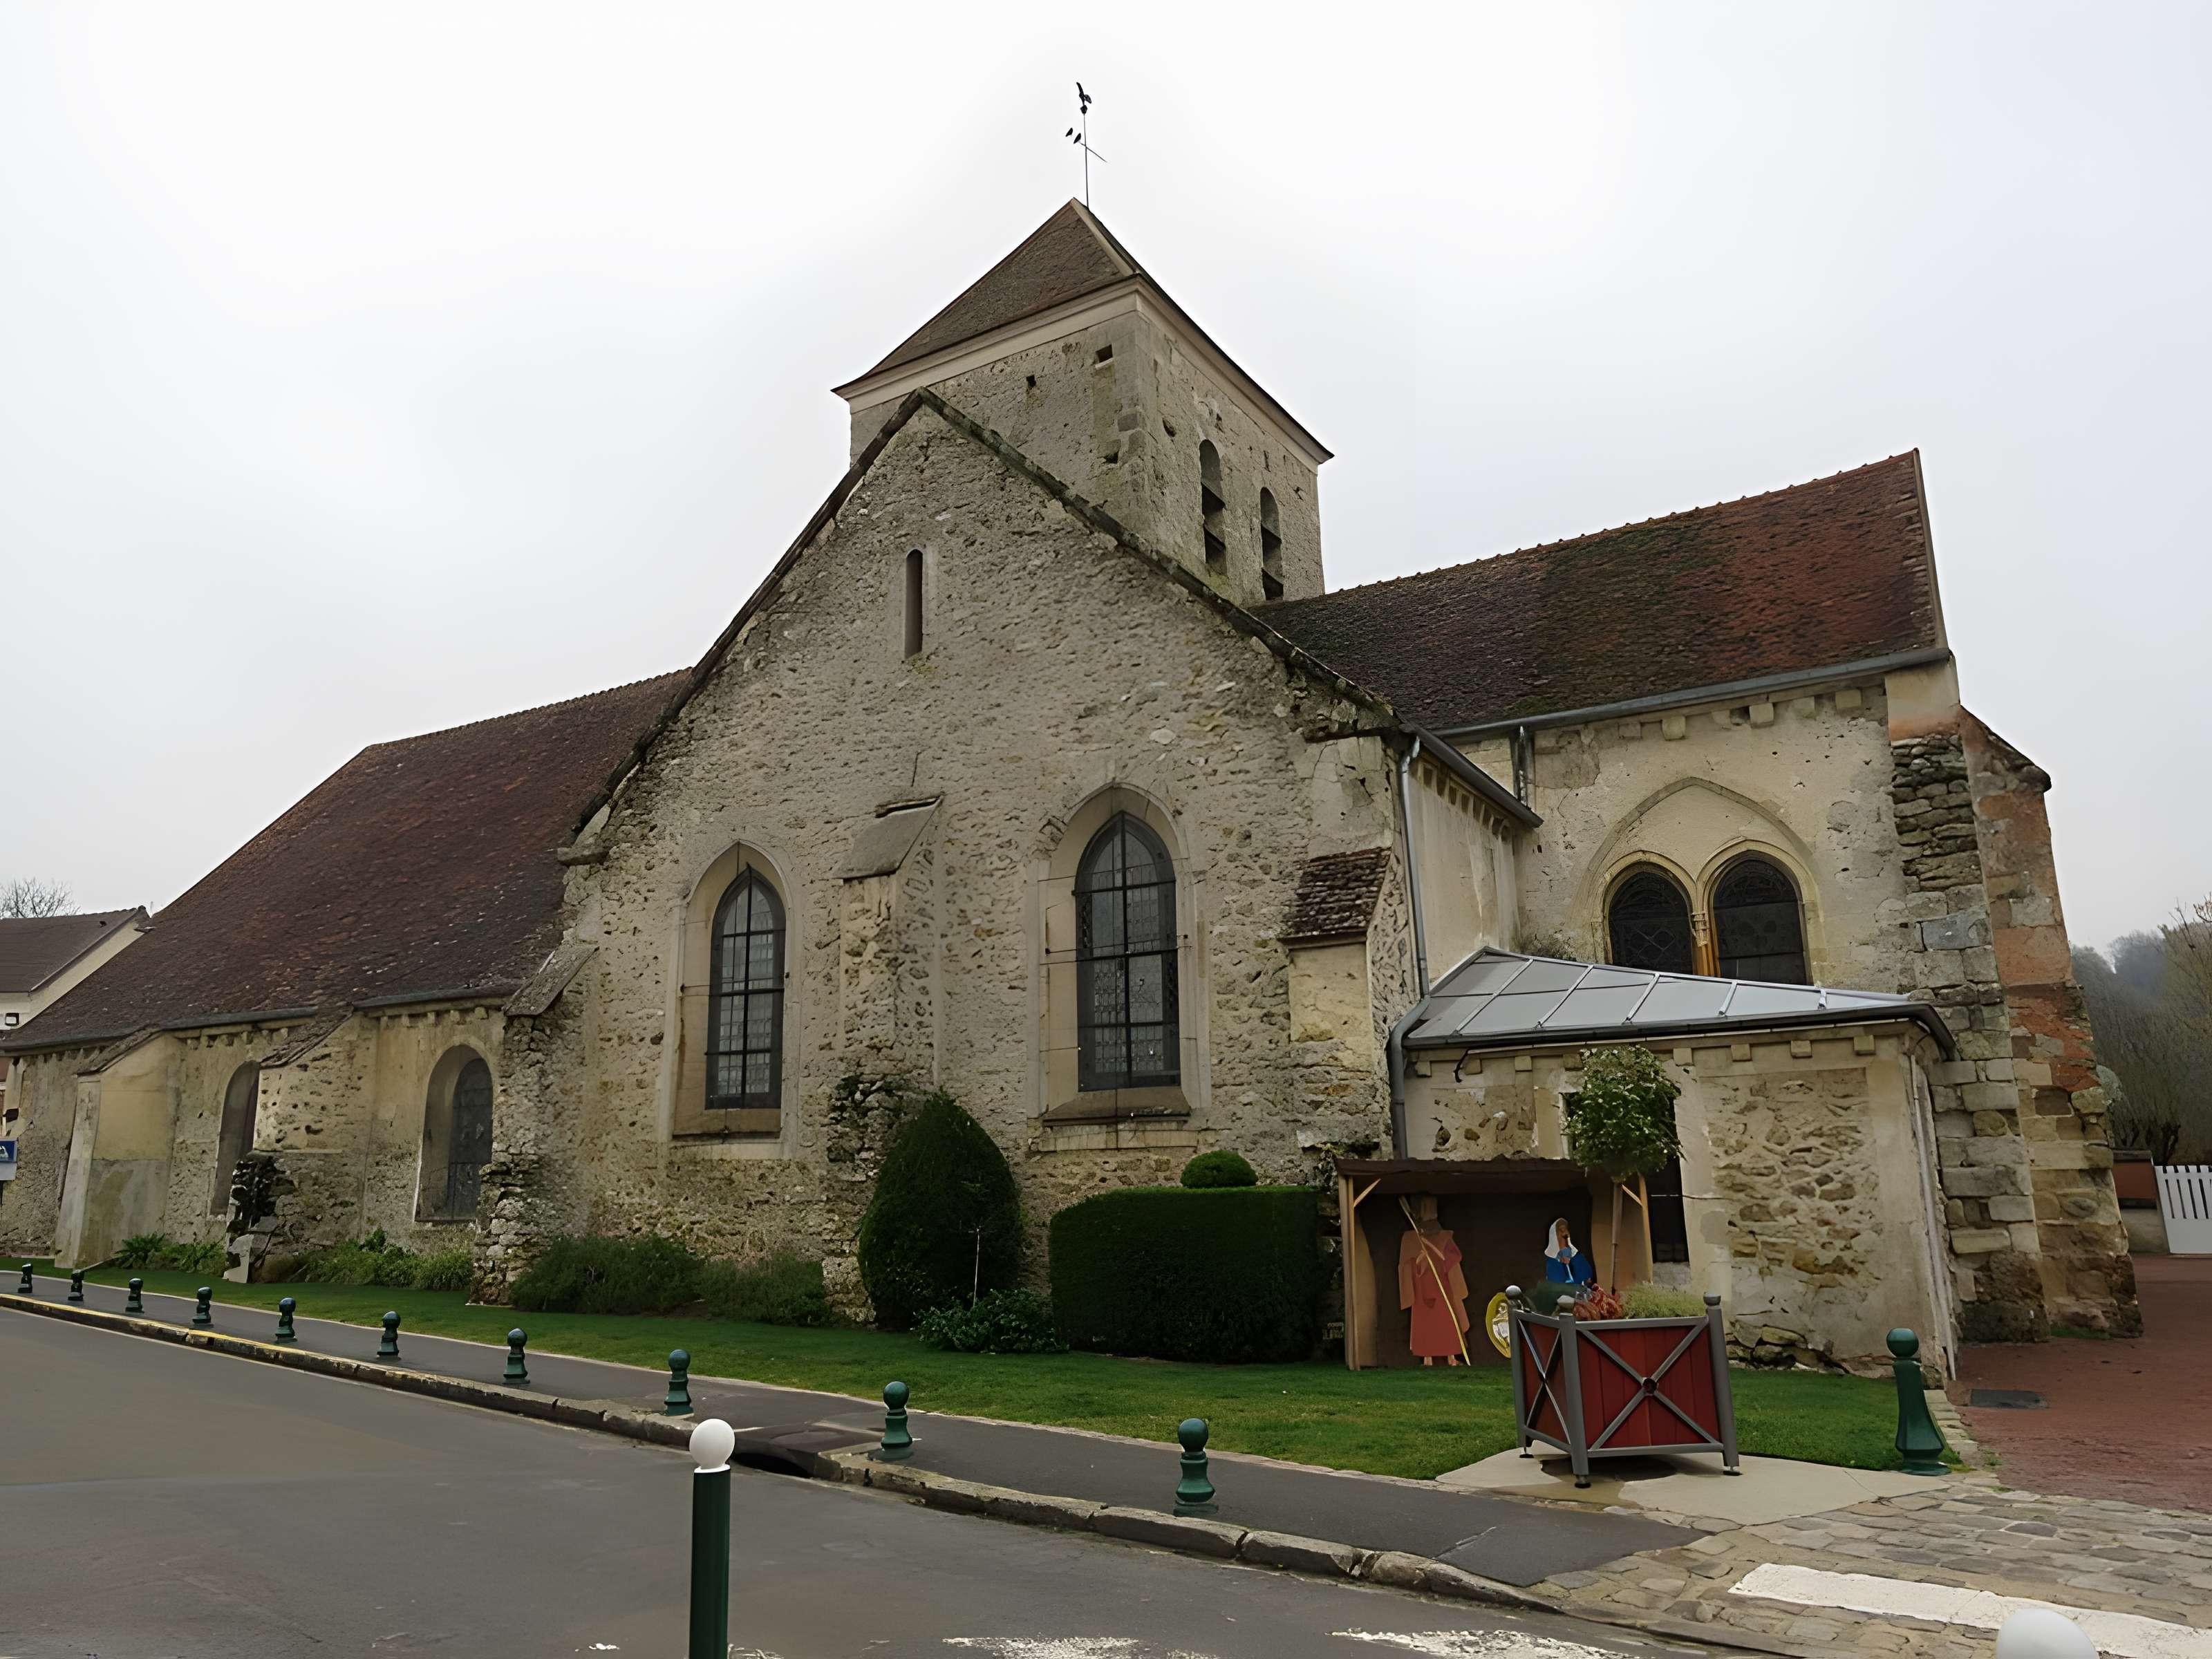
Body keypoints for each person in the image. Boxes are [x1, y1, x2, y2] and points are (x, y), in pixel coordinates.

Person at [1398, 1195, 1471, 1365]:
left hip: (1442, 1286)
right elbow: (1407, 1264)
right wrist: (1420, 1258)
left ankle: (1451, 1357)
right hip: (1422, 1287)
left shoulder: (1444, 1238)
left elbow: (1452, 1259)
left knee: (1447, 1319)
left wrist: (1440, 1256)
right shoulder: (1412, 1238)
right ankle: (1427, 1358)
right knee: (1425, 1321)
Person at [1543, 1217, 1596, 1288]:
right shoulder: (1552, 1262)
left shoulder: (1578, 1257)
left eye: (1566, 1229)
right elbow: (1559, 1286)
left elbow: (1587, 1278)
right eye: (1562, 1230)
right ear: (1554, 1236)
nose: (1565, 1233)